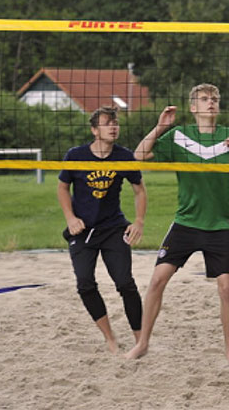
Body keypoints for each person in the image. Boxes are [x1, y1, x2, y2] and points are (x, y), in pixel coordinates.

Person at [125, 83, 229, 362]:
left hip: (220, 225)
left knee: (226, 288)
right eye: (204, 99)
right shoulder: (179, 136)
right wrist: (159, 127)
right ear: (193, 107)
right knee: (156, 281)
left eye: (214, 98)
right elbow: (137, 157)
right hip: (186, 223)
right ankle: (142, 344)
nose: (210, 102)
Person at [57, 105, 147, 354]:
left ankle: (140, 340)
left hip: (113, 228)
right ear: (95, 130)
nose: (113, 126)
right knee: (85, 284)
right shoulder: (76, 155)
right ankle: (110, 338)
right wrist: (70, 217)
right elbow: (63, 188)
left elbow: (139, 189)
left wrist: (138, 221)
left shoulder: (124, 156)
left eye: (115, 122)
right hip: (82, 229)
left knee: (125, 283)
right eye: (107, 123)